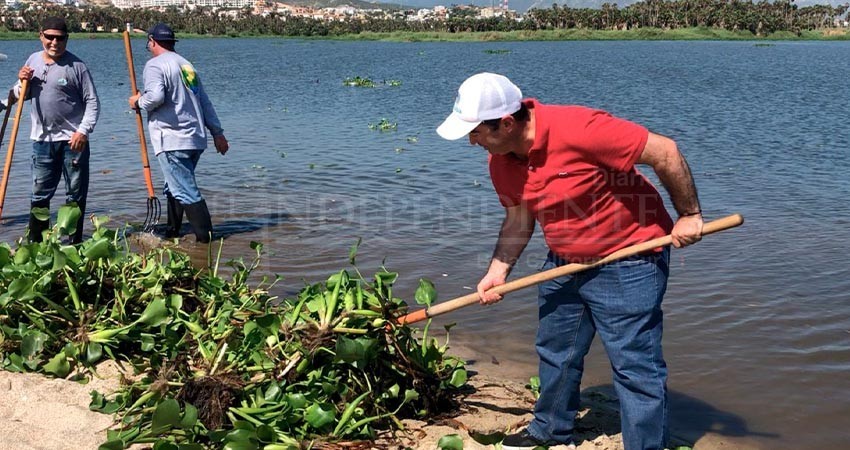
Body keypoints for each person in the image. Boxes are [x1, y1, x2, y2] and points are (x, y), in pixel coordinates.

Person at [436, 73, 704, 450]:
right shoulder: (501, 161)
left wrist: (689, 214)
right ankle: (550, 429)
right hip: (564, 261)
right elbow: (518, 219)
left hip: (630, 258)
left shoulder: (581, 128)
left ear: (507, 123)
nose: (471, 141)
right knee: (556, 350)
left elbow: (665, 152)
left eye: (477, 132)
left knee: (633, 365)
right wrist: (497, 272)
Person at [0, 17, 99, 244]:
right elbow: (21, 93)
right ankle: (37, 244)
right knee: (39, 195)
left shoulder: (78, 67)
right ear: (41, 36)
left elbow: (92, 102)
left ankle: (74, 244)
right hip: (42, 140)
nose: (54, 42)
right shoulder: (33, 60)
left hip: (73, 142)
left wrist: (83, 131)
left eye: (60, 38)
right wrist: (19, 82)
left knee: (75, 195)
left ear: (67, 39)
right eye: (50, 37)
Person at [128, 23, 229, 243]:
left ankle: (207, 242)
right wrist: (217, 133)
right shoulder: (186, 65)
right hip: (194, 139)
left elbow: (155, 97)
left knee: (185, 190)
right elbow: (204, 102)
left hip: (172, 139)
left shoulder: (154, 65)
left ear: (152, 42)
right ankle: (172, 232)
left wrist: (138, 101)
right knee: (173, 186)